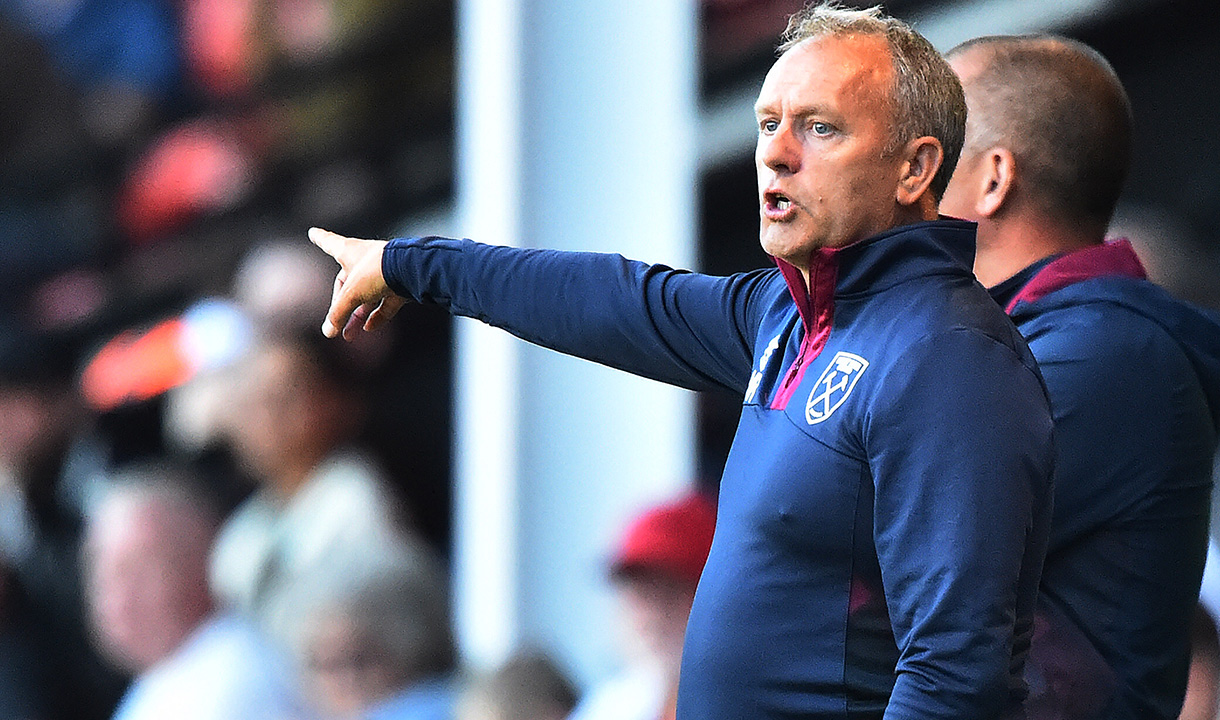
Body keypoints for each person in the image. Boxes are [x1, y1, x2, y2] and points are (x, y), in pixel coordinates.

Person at [309, 3, 1055, 718]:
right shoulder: (786, 319)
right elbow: (616, 299)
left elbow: (955, 676)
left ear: (916, 169)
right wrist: (414, 266)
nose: (777, 154)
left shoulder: (949, 360)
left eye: (820, 128)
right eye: (768, 125)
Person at [938, 35, 1220, 720]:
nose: (901, 173)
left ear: (994, 177)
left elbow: (880, 557)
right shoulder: (1024, 347)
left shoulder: (1099, 356)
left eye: (931, 143)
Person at [82, 461, 310, 720]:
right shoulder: (165, 678)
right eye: (105, 575)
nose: (119, 598)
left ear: (203, 563)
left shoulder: (232, 677)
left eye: (139, 571)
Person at [265, 539, 457, 720]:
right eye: (324, 666)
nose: (345, 681)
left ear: (414, 654)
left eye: (360, 661)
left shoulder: (439, 707)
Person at [569, 491, 716, 720]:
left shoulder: (747, 700)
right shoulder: (611, 706)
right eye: (637, 595)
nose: (649, 617)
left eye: (668, 593)